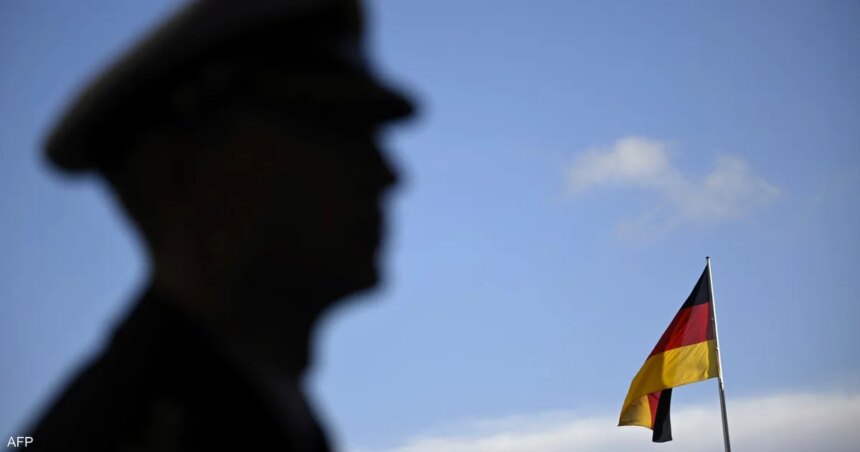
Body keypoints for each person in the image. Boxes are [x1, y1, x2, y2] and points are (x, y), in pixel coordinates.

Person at [28, 1, 414, 450]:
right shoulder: (120, 435)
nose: (387, 174)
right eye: (334, 135)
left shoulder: (264, 415)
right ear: (179, 175)